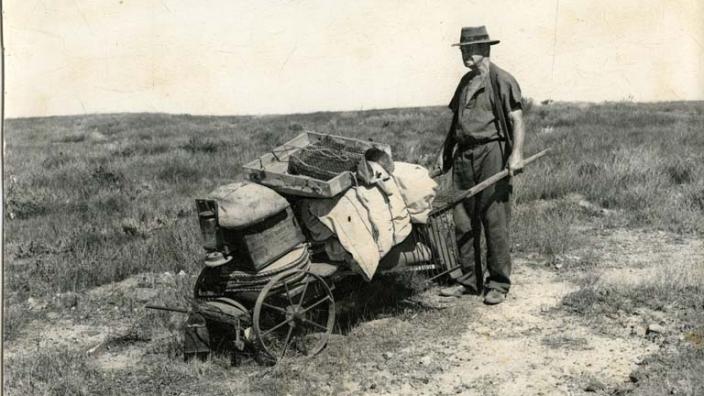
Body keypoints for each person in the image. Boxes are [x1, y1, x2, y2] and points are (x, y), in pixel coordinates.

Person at [436, 26, 525, 305]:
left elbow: (517, 120)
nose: (464, 54)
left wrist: (516, 154)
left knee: (494, 220)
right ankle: (468, 281)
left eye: (469, 49)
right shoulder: (465, 82)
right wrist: (445, 152)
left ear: (485, 49)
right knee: (463, 221)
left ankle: (498, 283)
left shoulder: (502, 80)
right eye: (462, 49)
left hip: (492, 153)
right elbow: (456, 123)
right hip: (464, 157)